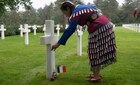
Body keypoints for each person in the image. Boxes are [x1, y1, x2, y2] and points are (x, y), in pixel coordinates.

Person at [51, 1, 117, 82]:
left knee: (94, 52)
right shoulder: (80, 7)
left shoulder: (75, 13)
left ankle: (96, 77)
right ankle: (96, 74)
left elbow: (70, 29)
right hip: (105, 25)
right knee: (95, 51)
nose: (65, 15)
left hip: (99, 27)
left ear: (68, 9)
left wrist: (58, 43)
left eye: (64, 12)